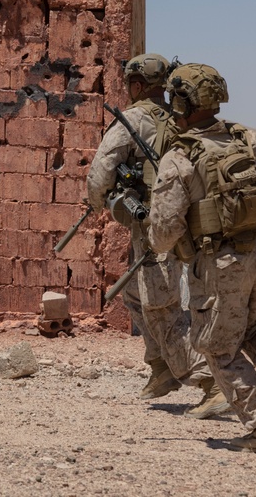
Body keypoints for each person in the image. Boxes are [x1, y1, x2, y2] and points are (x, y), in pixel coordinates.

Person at [147, 63, 256, 455]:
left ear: (181, 100)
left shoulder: (181, 156)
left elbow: (162, 234)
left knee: (217, 347)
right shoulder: (248, 140)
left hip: (221, 266)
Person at [87, 54, 228, 419]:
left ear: (135, 86)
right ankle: (161, 366)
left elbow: (101, 170)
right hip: (190, 221)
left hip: (156, 224)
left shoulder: (133, 118)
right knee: (135, 295)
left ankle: (210, 382)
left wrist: (99, 200)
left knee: (160, 304)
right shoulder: (181, 117)